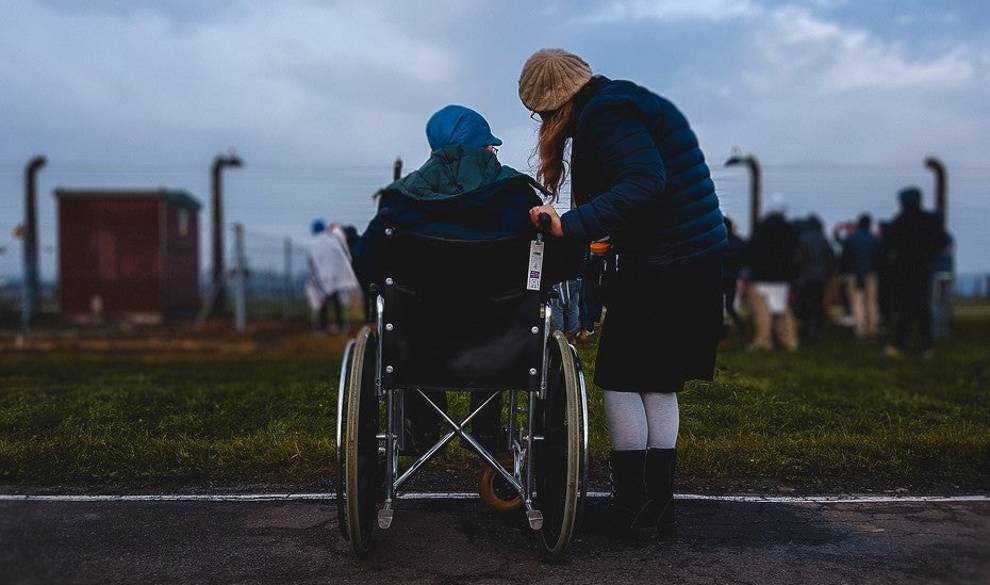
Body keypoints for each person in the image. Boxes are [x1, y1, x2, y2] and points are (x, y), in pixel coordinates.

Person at [519, 49, 727, 541]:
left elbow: (644, 182)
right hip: (690, 258)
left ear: (557, 104)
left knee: (619, 377)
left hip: (665, 262)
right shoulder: (623, 102)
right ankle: (656, 507)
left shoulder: (606, 116)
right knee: (656, 381)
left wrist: (569, 225)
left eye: (543, 114)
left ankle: (632, 501)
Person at [352, 104, 577, 455]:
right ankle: (486, 430)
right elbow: (557, 266)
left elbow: (366, 266)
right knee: (499, 315)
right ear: (484, 149)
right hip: (501, 347)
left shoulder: (399, 201)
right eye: (491, 146)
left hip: (417, 346)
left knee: (409, 320)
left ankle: (423, 429)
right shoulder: (517, 197)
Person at [883, 187, 949, 357]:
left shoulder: (898, 222)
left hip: (903, 270)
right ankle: (926, 346)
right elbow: (942, 243)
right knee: (923, 308)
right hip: (924, 268)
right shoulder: (930, 221)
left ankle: (900, 344)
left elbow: (888, 247)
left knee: (904, 308)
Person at [743, 200, 799, 351]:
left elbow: (751, 252)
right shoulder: (789, 230)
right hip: (783, 277)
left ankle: (764, 340)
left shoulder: (760, 228)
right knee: (783, 309)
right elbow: (795, 254)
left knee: (763, 310)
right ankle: (789, 340)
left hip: (762, 276)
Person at [307, 219, 360, 334]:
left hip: (322, 277)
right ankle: (341, 326)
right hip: (336, 276)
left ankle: (322, 327)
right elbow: (342, 255)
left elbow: (312, 262)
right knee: (336, 302)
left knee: (323, 303)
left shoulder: (312, 244)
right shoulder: (332, 240)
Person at [793, 215, 834, 343]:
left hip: (804, 278)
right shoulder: (823, 239)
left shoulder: (803, 238)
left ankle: (806, 331)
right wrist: (828, 274)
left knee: (805, 305)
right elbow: (831, 259)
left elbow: (799, 260)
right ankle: (816, 331)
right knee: (817, 305)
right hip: (820, 278)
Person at [840, 214, 882, 338]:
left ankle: (860, 329)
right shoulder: (874, 239)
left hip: (854, 274)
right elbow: (879, 257)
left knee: (857, 302)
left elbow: (845, 257)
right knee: (872, 301)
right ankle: (872, 328)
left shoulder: (850, 238)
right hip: (871, 273)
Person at [721, 217, 745, 337]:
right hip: (732, 278)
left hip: (717, 278)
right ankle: (742, 329)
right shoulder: (738, 241)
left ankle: (721, 332)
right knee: (730, 306)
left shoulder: (716, 241)